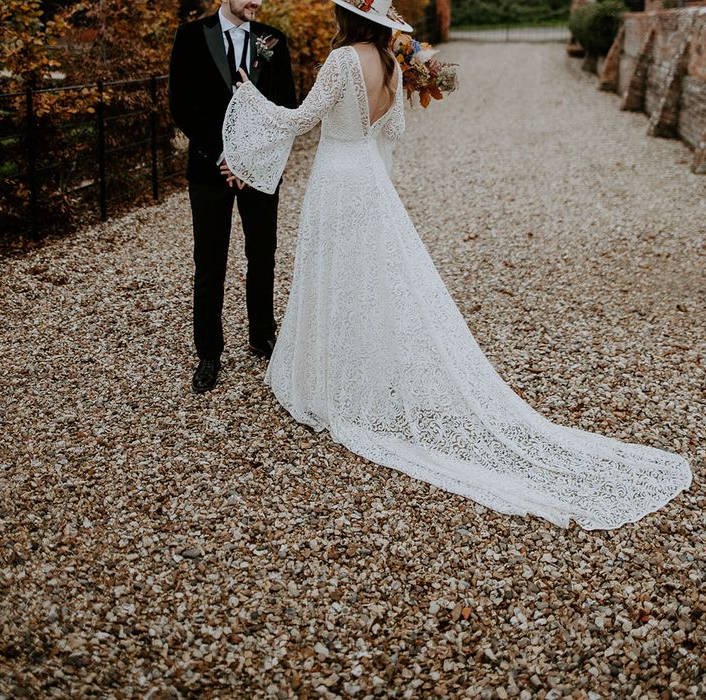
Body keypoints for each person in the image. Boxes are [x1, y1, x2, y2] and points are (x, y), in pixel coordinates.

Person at [221, 0, 692, 529]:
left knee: (335, 275)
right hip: (368, 182)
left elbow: (303, 120)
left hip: (337, 179)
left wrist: (249, 98)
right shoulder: (394, 65)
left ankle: (332, 381)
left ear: (347, 18)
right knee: (366, 280)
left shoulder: (342, 61)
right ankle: (360, 375)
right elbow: (391, 133)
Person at [169, 0, 296, 393]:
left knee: (262, 255)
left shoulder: (274, 41)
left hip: (260, 172)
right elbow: (181, 105)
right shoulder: (191, 36)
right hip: (210, 169)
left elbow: (286, 107)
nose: (256, 2)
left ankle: (262, 335)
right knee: (209, 262)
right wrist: (225, 155)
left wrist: (250, 158)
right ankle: (208, 352)